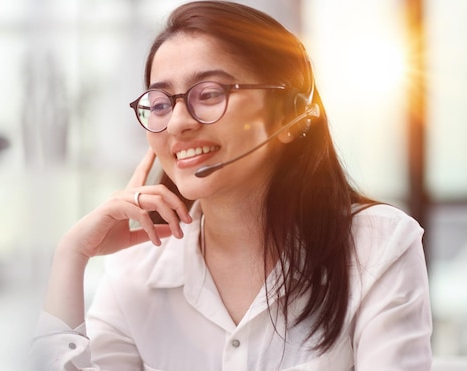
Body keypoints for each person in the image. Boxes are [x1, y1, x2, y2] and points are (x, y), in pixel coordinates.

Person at [30, 1, 432, 370]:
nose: (179, 122)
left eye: (209, 93)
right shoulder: (136, 272)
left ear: (289, 113)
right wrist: (72, 255)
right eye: (160, 103)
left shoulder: (377, 244)